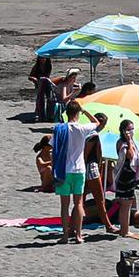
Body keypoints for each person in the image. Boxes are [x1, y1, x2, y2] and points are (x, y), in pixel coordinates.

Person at [53, 101, 99, 243]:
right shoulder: (82, 128)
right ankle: (79, 235)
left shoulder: (60, 129)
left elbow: (52, 147)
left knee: (64, 205)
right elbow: (96, 122)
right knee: (79, 203)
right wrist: (85, 111)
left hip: (64, 170)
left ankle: (65, 235)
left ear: (66, 113)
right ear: (77, 113)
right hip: (79, 170)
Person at [113, 119, 139, 238]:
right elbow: (130, 156)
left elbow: (135, 156)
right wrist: (129, 141)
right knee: (126, 204)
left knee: (126, 204)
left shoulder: (130, 142)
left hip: (129, 176)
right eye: (129, 129)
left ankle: (123, 229)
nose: (131, 131)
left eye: (132, 129)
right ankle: (125, 230)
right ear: (123, 131)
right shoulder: (122, 143)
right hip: (125, 176)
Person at [29, 54, 54, 121]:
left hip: (46, 83)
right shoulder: (36, 66)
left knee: (49, 97)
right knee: (40, 98)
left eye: (44, 58)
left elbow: (47, 76)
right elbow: (30, 76)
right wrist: (34, 79)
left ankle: (48, 113)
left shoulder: (48, 66)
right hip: (38, 84)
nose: (42, 60)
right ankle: (38, 112)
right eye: (41, 58)